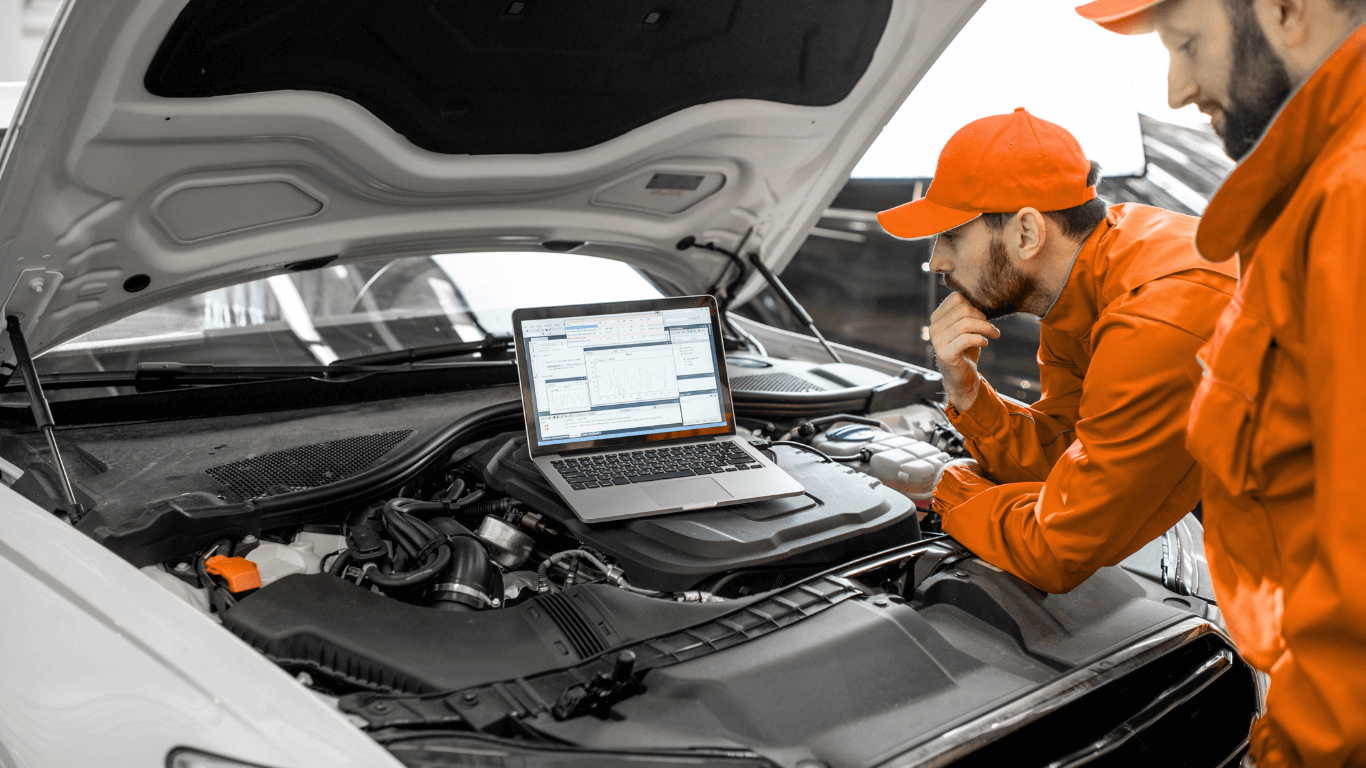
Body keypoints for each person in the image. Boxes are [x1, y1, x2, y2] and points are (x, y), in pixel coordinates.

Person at [1075, 1, 1366, 766]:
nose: (1175, 90)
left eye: (1185, 42)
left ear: (1285, 9)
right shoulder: (1314, 193)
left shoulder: (1351, 200)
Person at [877, 109, 1236, 595]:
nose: (936, 260)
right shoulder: (1085, 285)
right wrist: (966, 393)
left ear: (1027, 232)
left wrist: (944, 487)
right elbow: (1069, 452)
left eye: (953, 236)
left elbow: (1058, 549)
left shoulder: (1158, 314)